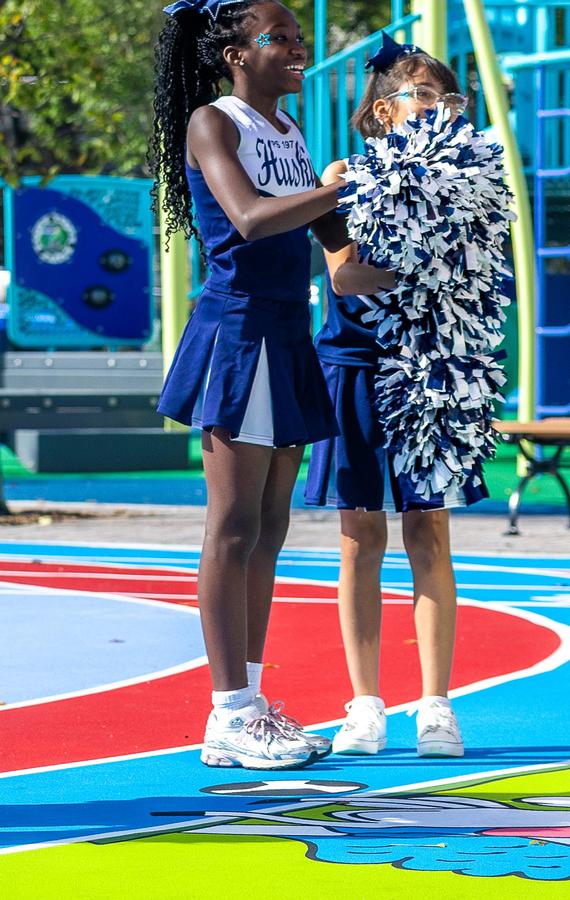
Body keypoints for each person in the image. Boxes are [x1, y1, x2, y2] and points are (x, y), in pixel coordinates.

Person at [148, 0, 383, 770]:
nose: (297, 52)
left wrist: (429, 259)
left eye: (299, 40)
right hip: (238, 333)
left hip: (287, 335)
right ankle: (227, 710)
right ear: (235, 55)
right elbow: (249, 218)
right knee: (233, 526)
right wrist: (344, 183)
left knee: (271, 529)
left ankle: (250, 705)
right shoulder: (213, 124)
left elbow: (337, 258)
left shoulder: (290, 133)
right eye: (279, 38)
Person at [305, 34, 472, 759]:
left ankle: (436, 704)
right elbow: (344, 276)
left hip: (428, 367)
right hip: (354, 367)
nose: (442, 110)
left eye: (450, 99)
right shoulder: (343, 176)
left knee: (429, 531)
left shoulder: (466, 181)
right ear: (381, 112)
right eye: (427, 96)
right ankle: (365, 704)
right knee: (360, 536)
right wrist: (427, 277)